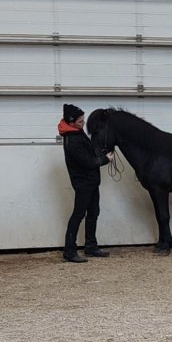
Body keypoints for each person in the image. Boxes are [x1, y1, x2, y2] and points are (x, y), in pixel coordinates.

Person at [59, 104, 114, 263]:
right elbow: (88, 162)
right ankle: (69, 251)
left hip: (91, 182)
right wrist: (106, 159)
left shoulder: (76, 133)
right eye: (80, 121)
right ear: (71, 122)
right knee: (78, 215)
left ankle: (91, 245)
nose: (83, 123)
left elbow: (89, 153)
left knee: (93, 213)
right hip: (84, 183)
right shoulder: (73, 140)